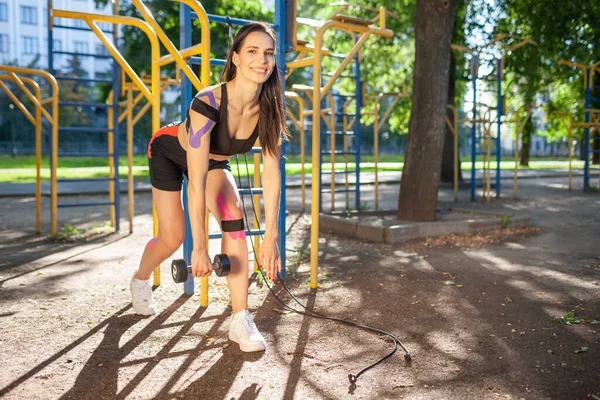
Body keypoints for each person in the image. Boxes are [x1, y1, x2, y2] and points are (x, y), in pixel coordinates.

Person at [130, 22, 288, 353]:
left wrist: (271, 237)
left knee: (235, 220)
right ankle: (141, 278)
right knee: (173, 238)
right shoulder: (208, 102)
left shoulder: (270, 107)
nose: (262, 60)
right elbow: (196, 180)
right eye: (253, 52)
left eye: (269, 53)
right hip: (170, 153)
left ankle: (240, 319)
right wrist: (198, 247)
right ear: (236, 58)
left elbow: (272, 173)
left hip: (213, 162)